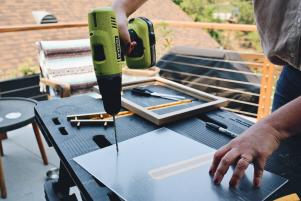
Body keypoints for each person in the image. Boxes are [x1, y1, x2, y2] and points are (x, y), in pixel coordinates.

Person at [113, 0, 301, 187]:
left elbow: (271, 130)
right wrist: (121, 7)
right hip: (293, 72)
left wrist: (271, 128)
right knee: (283, 172)